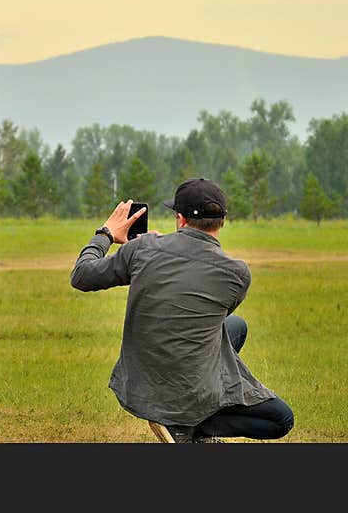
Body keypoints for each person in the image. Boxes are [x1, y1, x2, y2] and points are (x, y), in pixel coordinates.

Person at [70, 178, 294, 443]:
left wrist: (105, 234)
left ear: (180, 219)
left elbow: (82, 276)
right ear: (222, 221)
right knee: (281, 419)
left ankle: (182, 426)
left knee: (236, 327)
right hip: (187, 388)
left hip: (140, 383)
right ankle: (194, 427)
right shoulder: (236, 273)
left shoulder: (143, 249)